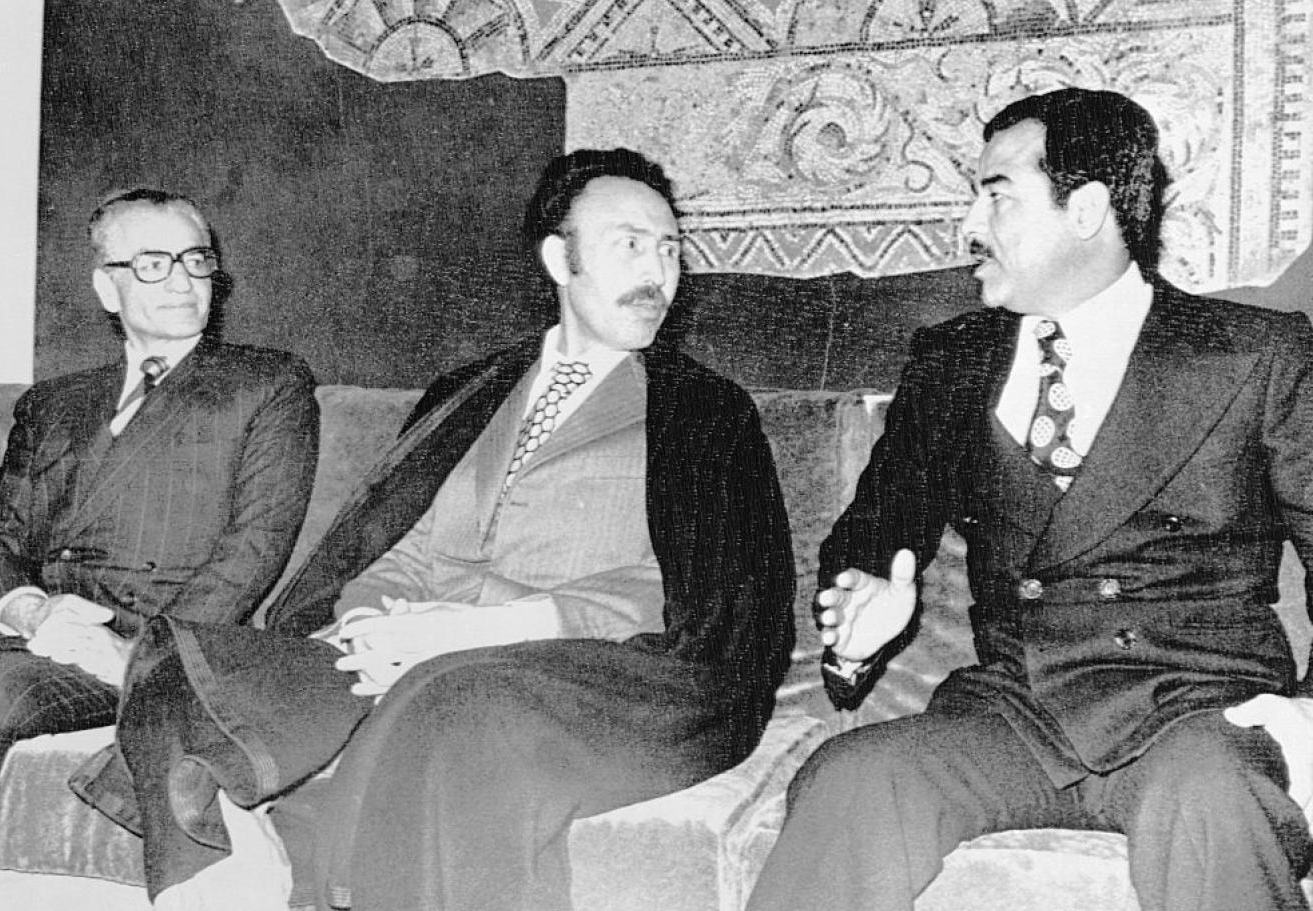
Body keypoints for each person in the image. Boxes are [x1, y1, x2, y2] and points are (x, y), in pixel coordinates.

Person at [73, 148, 796, 911]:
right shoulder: (471, 391)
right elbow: (403, 543)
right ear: (560, 258)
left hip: (586, 669)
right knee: (181, 663)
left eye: (670, 248)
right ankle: (231, 887)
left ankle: (316, 877)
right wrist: (370, 628)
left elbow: (695, 595)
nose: (658, 273)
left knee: (452, 702)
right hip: (426, 642)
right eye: (631, 245)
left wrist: (466, 633)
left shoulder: (703, 411)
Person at [745, 87, 1313, 911]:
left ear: (1085, 209)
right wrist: (860, 608)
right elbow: (876, 528)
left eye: (997, 195)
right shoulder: (951, 359)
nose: (969, 225)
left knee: (1212, 798)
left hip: (1195, 708)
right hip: (1015, 709)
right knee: (852, 777)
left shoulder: (1255, 354)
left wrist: (1307, 717)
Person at [0, 188, 320, 905]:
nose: (181, 280)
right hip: (42, 623)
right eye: (152, 263)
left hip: (140, 642)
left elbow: (254, 546)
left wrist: (136, 657)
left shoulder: (265, 384)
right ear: (105, 287)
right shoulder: (54, 402)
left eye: (195, 259)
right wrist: (29, 610)